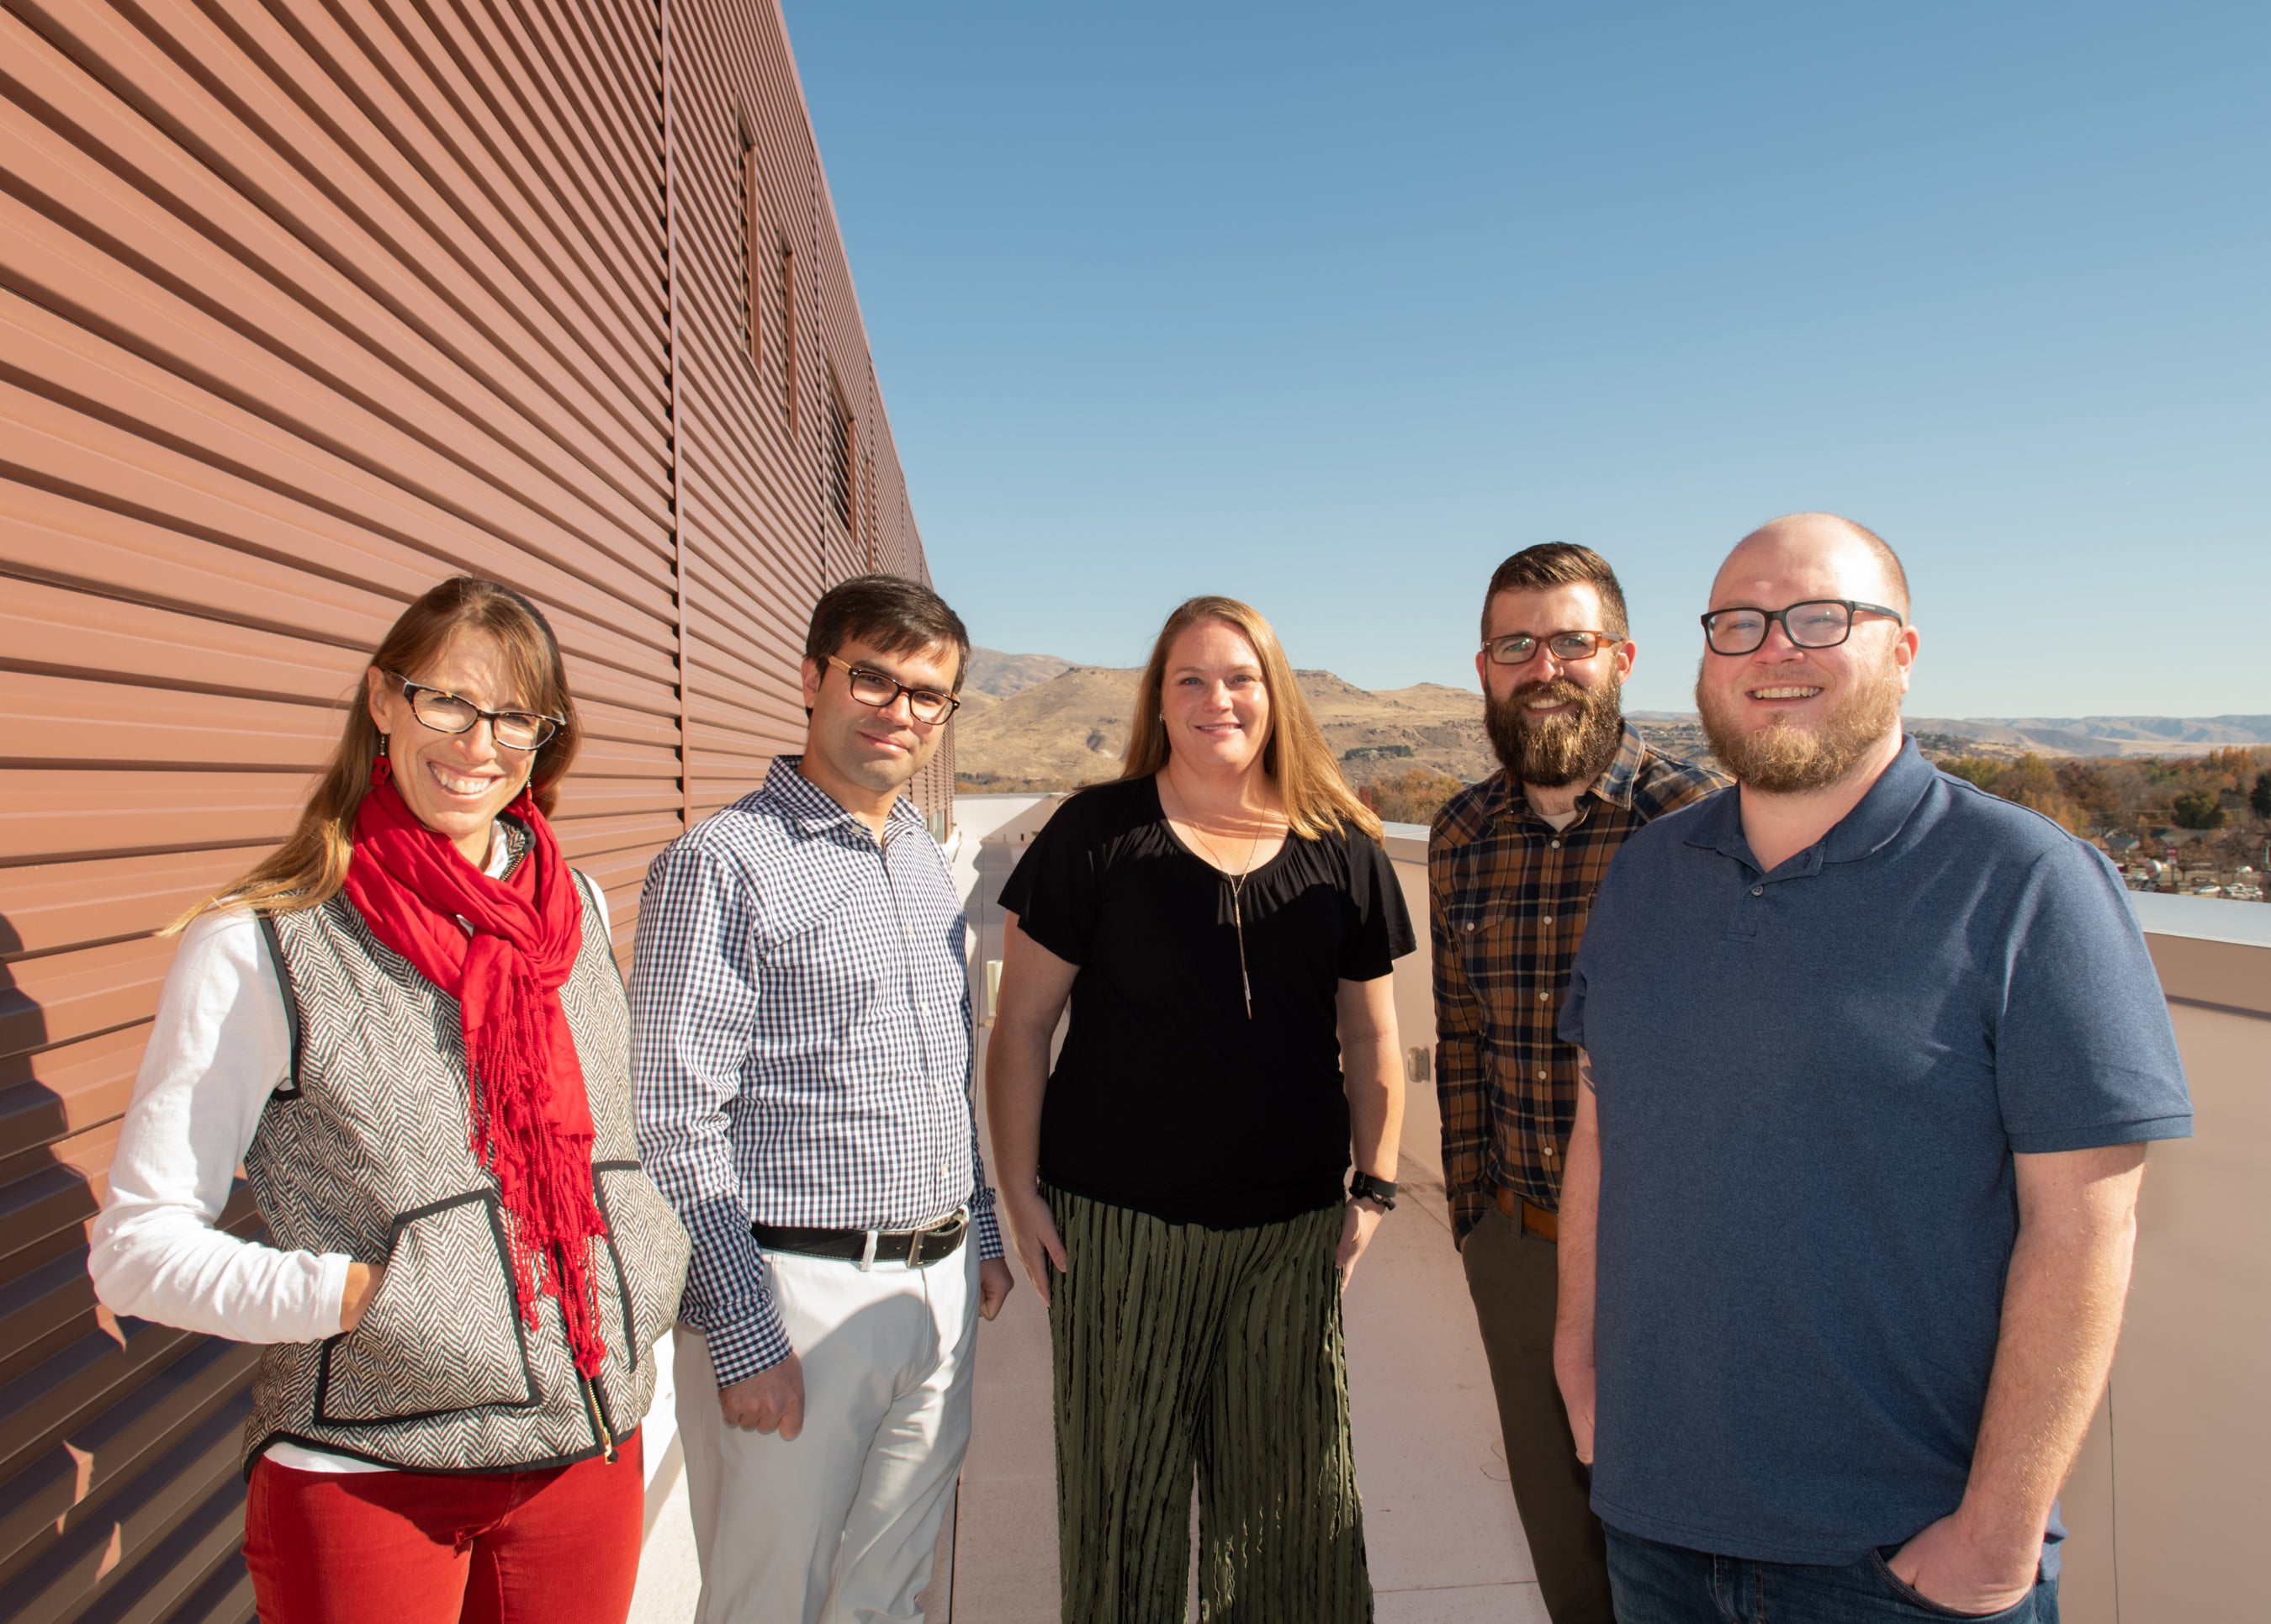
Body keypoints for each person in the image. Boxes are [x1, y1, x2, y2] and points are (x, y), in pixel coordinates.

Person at [1554, 513, 2194, 1623]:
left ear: (1902, 651)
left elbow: (2085, 1225)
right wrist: (1578, 1359)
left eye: (1819, 617)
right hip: (1656, 1529)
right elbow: (1603, 1128)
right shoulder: (1647, 872)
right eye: (1738, 622)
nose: (1773, 649)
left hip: (1899, 1562)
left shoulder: (2029, 884)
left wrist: (1995, 1532)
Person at [88, 576, 691, 1624]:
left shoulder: (577, 911)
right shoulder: (264, 939)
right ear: (381, 699)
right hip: (368, 1470)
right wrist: (366, 1297)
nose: (479, 743)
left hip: (584, 1448)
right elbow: (137, 1249)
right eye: (446, 701)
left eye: (515, 716)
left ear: (548, 739)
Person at [987, 595, 1414, 1624]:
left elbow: (1372, 1039)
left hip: (1288, 1232)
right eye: (1191, 678)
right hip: (1116, 1231)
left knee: (1293, 1515)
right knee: (1118, 1508)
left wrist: (1376, 1185)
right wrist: (1019, 1195)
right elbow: (1020, 1031)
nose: (1217, 699)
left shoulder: (1345, 845)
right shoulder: (1095, 832)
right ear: (1159, 699)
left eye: (1240, 677)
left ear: (1276, 693)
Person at [629, 574, 1012, 1624]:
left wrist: (976, 1223)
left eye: (928, 693)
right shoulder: (722, 864)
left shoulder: (927, 867)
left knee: (888, 1594)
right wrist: (745, 1329)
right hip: (792, 1290)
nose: (899, 711)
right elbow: (669, 1118)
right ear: (813, 678)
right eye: (873, 679)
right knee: (770, 1601)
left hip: (933, 1292)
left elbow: (942, 1067)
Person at [1427, 542, 1723, 1624]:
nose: (1543, 664)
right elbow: (1459, 1033)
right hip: (1518, 1240)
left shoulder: (1705, 824)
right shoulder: (1460, 834)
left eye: (1572, 640)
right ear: (1485, 668)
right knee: (1568, 1556)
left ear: (1623, 658)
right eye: (1517, 644)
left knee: (1684, 1557)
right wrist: (1474, 1218)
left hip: (1672, 1261)